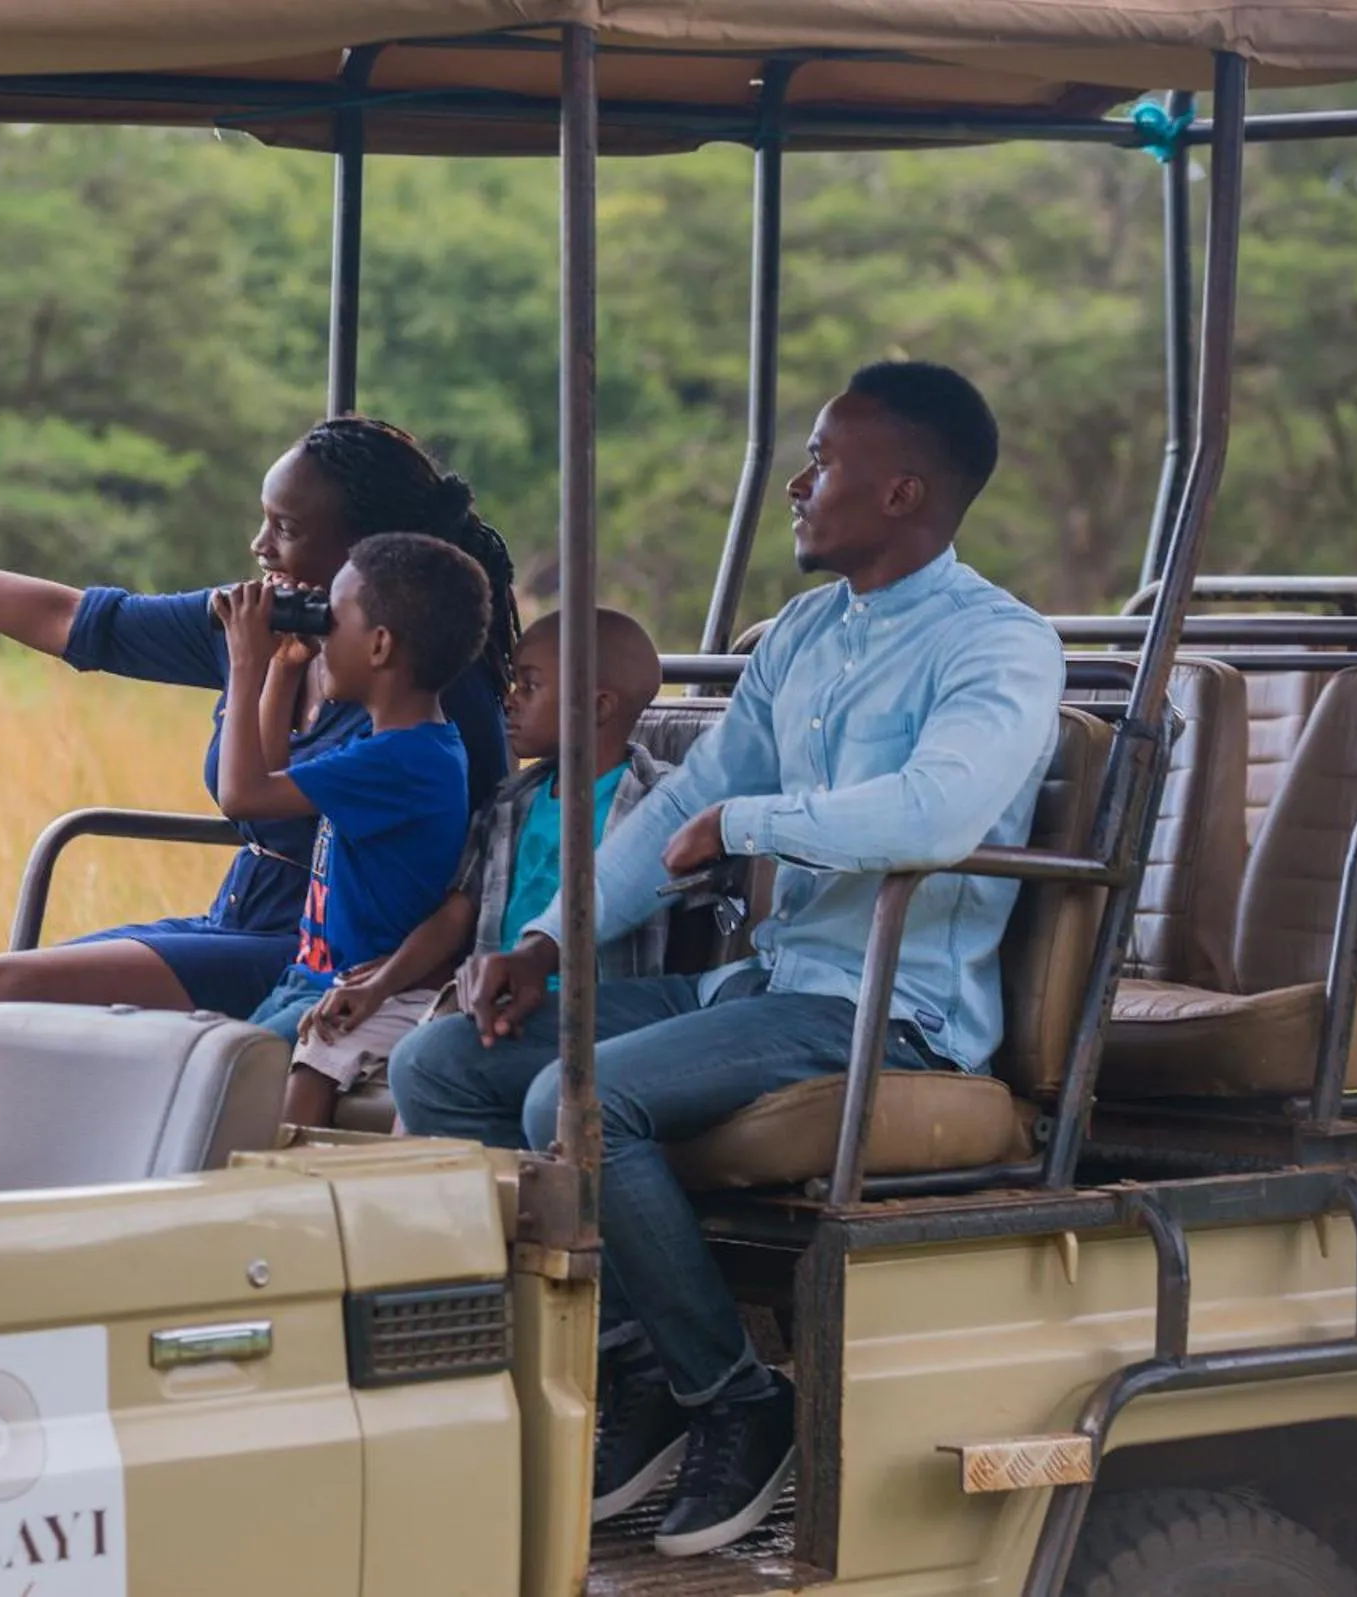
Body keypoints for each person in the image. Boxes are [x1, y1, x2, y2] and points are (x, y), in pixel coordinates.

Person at [390, 362, 1063, 1559]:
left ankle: (741, 1402)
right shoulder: (805, 632)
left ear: (904, 490)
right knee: (445, 1064)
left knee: (579, 1098)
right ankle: (638, 1369)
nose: (798, 484)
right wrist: (546, 943)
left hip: (881, 1008)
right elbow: (684, 801)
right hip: (758, 986)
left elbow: (935, 812)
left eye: (823, 460)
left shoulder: (1000, 647)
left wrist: (753, 826)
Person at [0, 416, 519, 1020]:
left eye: (285, 528)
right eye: (263, 521)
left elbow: (474, 876)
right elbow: (76, 621)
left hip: (319, 952)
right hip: (234, 917)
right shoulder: (267, 626)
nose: (259, 546)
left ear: (367, 550)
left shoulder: (428, 691)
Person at [298, 608, 670, 1105]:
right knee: (321, 1043)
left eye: (530, 687)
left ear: (597, 706)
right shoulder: (511, 801)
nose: (510, 700)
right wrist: (380, 985)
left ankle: (423, 1175)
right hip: (477, 993)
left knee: (434, 1070)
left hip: (585, 1010)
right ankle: (282, 1178)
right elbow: (458, 912)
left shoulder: (655, 805)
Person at [215, 533, 489, 1127]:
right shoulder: (393, 744)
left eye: (332, 620)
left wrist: (245, 663)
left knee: (213, 1077)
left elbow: (241, 793)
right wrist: (284, 670)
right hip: (307, 976)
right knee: (205, 1065)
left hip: (340, 991)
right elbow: (263, 788)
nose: (320, 636)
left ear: (381, 645)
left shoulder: (403, 762)